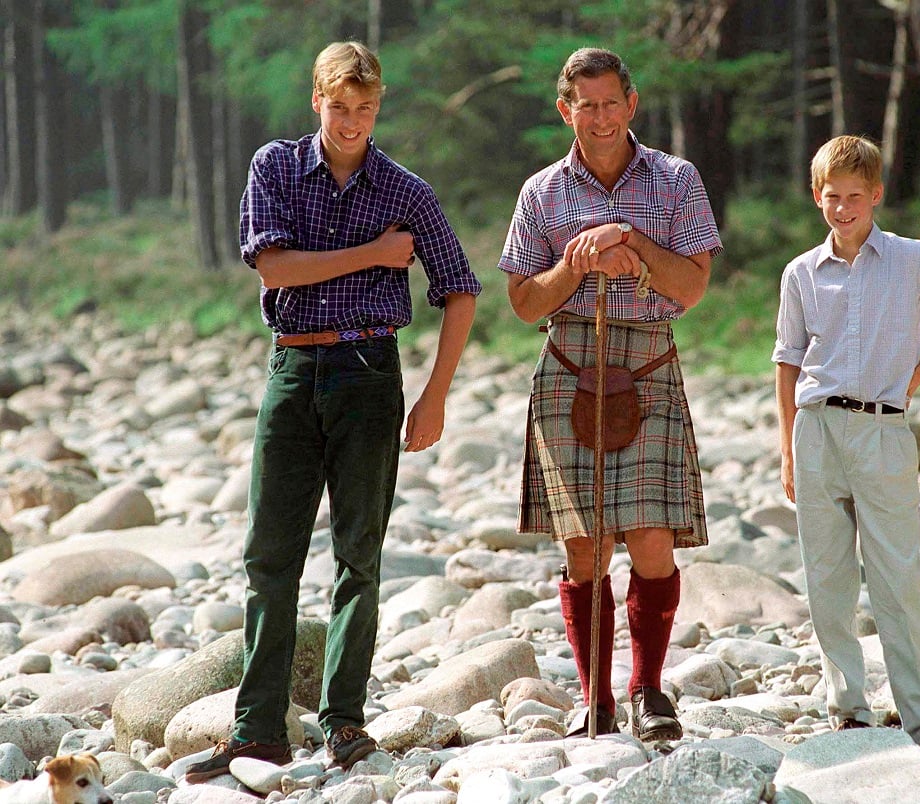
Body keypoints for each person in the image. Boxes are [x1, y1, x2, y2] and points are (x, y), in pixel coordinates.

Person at [185, 41, 481, 783]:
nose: (352, 122)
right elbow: (274, 265)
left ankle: (344, 724)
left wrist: (436, 395)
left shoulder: (406, 189)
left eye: (366, 108)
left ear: (378, 107)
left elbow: (462, 287)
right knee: (269, 558)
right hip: (293, 367)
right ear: (316, 100)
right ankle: (258, 733)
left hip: (370, 373)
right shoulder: (275, 168)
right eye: (339, 106)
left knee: (359, 557)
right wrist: (375, 253)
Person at [498, 47, 722, 741]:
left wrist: (630, 239)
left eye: (609, 102)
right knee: (584, 547)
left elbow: (690, 286)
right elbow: (524, 302)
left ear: (632, 103)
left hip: (649, 360)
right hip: (569, 361)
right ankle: (594, 698)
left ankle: (648, 691)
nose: (598, 117)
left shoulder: (678, 180)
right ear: (566, 109)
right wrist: (580, 259)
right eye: (583, 105)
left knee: (652, 539)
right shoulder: (541, 193)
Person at [773, 135, 920, 770]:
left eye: (854, 197)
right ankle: (847, 710)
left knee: (898, 577)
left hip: (883, 431)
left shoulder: (911, 259)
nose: (843, 208)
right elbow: (788, 360)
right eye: (831, 197)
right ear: (817, 198)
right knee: (828, 578)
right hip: (816, 430)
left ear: (876, 195)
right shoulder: (800, 274)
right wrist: (788, 449)